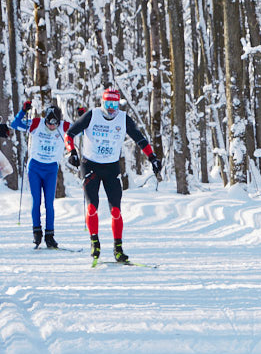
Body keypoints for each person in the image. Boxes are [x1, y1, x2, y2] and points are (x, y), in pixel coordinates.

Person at [66, 88, 162, 263]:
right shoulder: (92, 115)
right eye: (108, 104)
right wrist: (72, 152)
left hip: (111, 168)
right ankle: (94, 242)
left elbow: (140, 139)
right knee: (91, 208)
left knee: (116, 210)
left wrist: (152, 158)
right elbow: (69, 134)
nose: (111, 109)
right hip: (90, 166)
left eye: (114, 105)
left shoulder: (123, 119)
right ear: (103, 103)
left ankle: (118, 248)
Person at [10, 99, 71, 248]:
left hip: (51, 169)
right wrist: (23, 111)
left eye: (54, 124)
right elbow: (15, 124)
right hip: (35, 168)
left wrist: (82, 115)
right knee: (36, 201)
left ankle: (50, 236)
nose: (51, 126)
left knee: (49, 203)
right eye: (49, 123)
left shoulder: (64, 127)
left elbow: (82, 129)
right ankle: (37, 233)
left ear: (59, 121)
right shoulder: (37, 123)